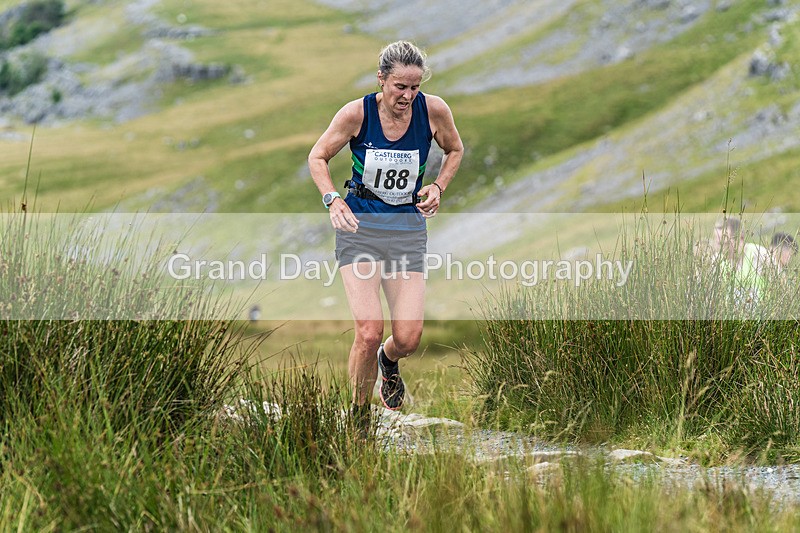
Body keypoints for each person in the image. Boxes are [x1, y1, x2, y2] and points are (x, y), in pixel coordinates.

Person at [307, 41, 463, 425]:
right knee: (369, 329)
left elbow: (455, 149)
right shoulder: (356, 113)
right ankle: (358, 420)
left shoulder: (434, 110)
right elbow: (317, 156)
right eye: (399, 87)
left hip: (407, 231)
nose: (407, 96)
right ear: (382, 80)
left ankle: (388, 362)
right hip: (360, 228)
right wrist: (333, 199)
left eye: (414, 87)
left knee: (407, 338)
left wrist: (438, 187)